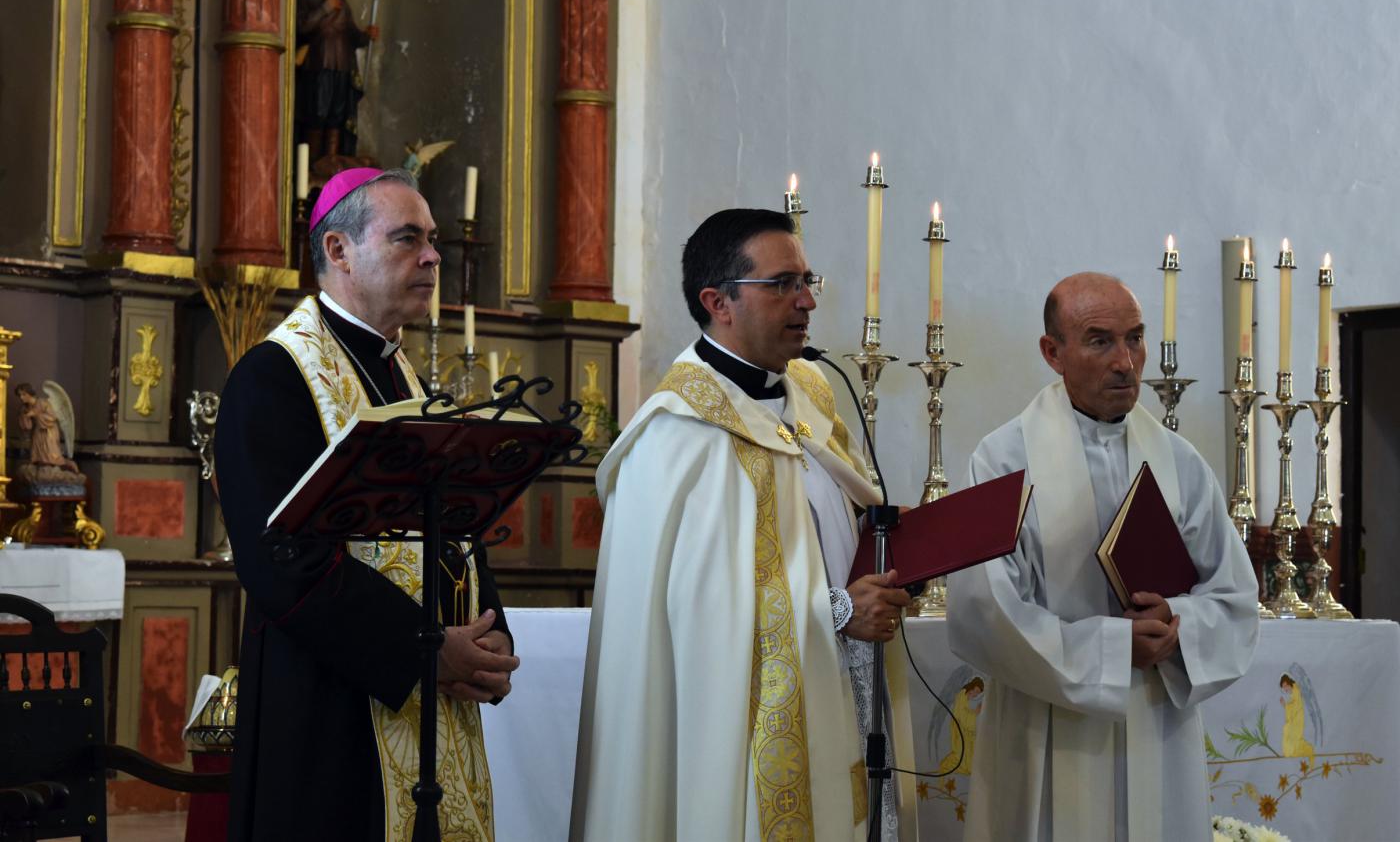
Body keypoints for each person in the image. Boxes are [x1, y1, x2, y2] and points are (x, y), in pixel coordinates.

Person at [570, 208, 916, 842]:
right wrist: (836, 612)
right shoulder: (675, 434)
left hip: (844, 694)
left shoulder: (810, 394)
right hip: (739, 741)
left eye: (809, 281)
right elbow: (692, 624)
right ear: (718, 302)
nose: (806, 301)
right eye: (782, 284)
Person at [214, 168, 518, 841]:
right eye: (408, 238)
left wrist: (489, 631)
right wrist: (425, 648)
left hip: (430, 703)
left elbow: (455, 524)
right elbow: (281, 559)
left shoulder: (398, 371)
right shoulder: (273, 377)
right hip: (329, 713)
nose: (434, 256)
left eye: (434, 239)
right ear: (338, 250)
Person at [947, 271, 1260, 842]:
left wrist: (1180, 631)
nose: (1126, 361)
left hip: (1156, 724)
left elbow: (1233, 595)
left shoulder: (1179, 462)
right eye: (1100, 341)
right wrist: (1111, 649)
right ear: (1052, 352)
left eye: (1135, 338)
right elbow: (984, 609)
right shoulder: (1003, 460)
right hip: (1045, 728)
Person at [295, 0, 379, 166]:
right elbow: (302, 27)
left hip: (342, 63)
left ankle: (330, 161)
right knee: (318, 113)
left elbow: (350, 33)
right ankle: (312, 164)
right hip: (318, 63)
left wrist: (366, 35)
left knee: (337, 115)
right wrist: (325, 8)